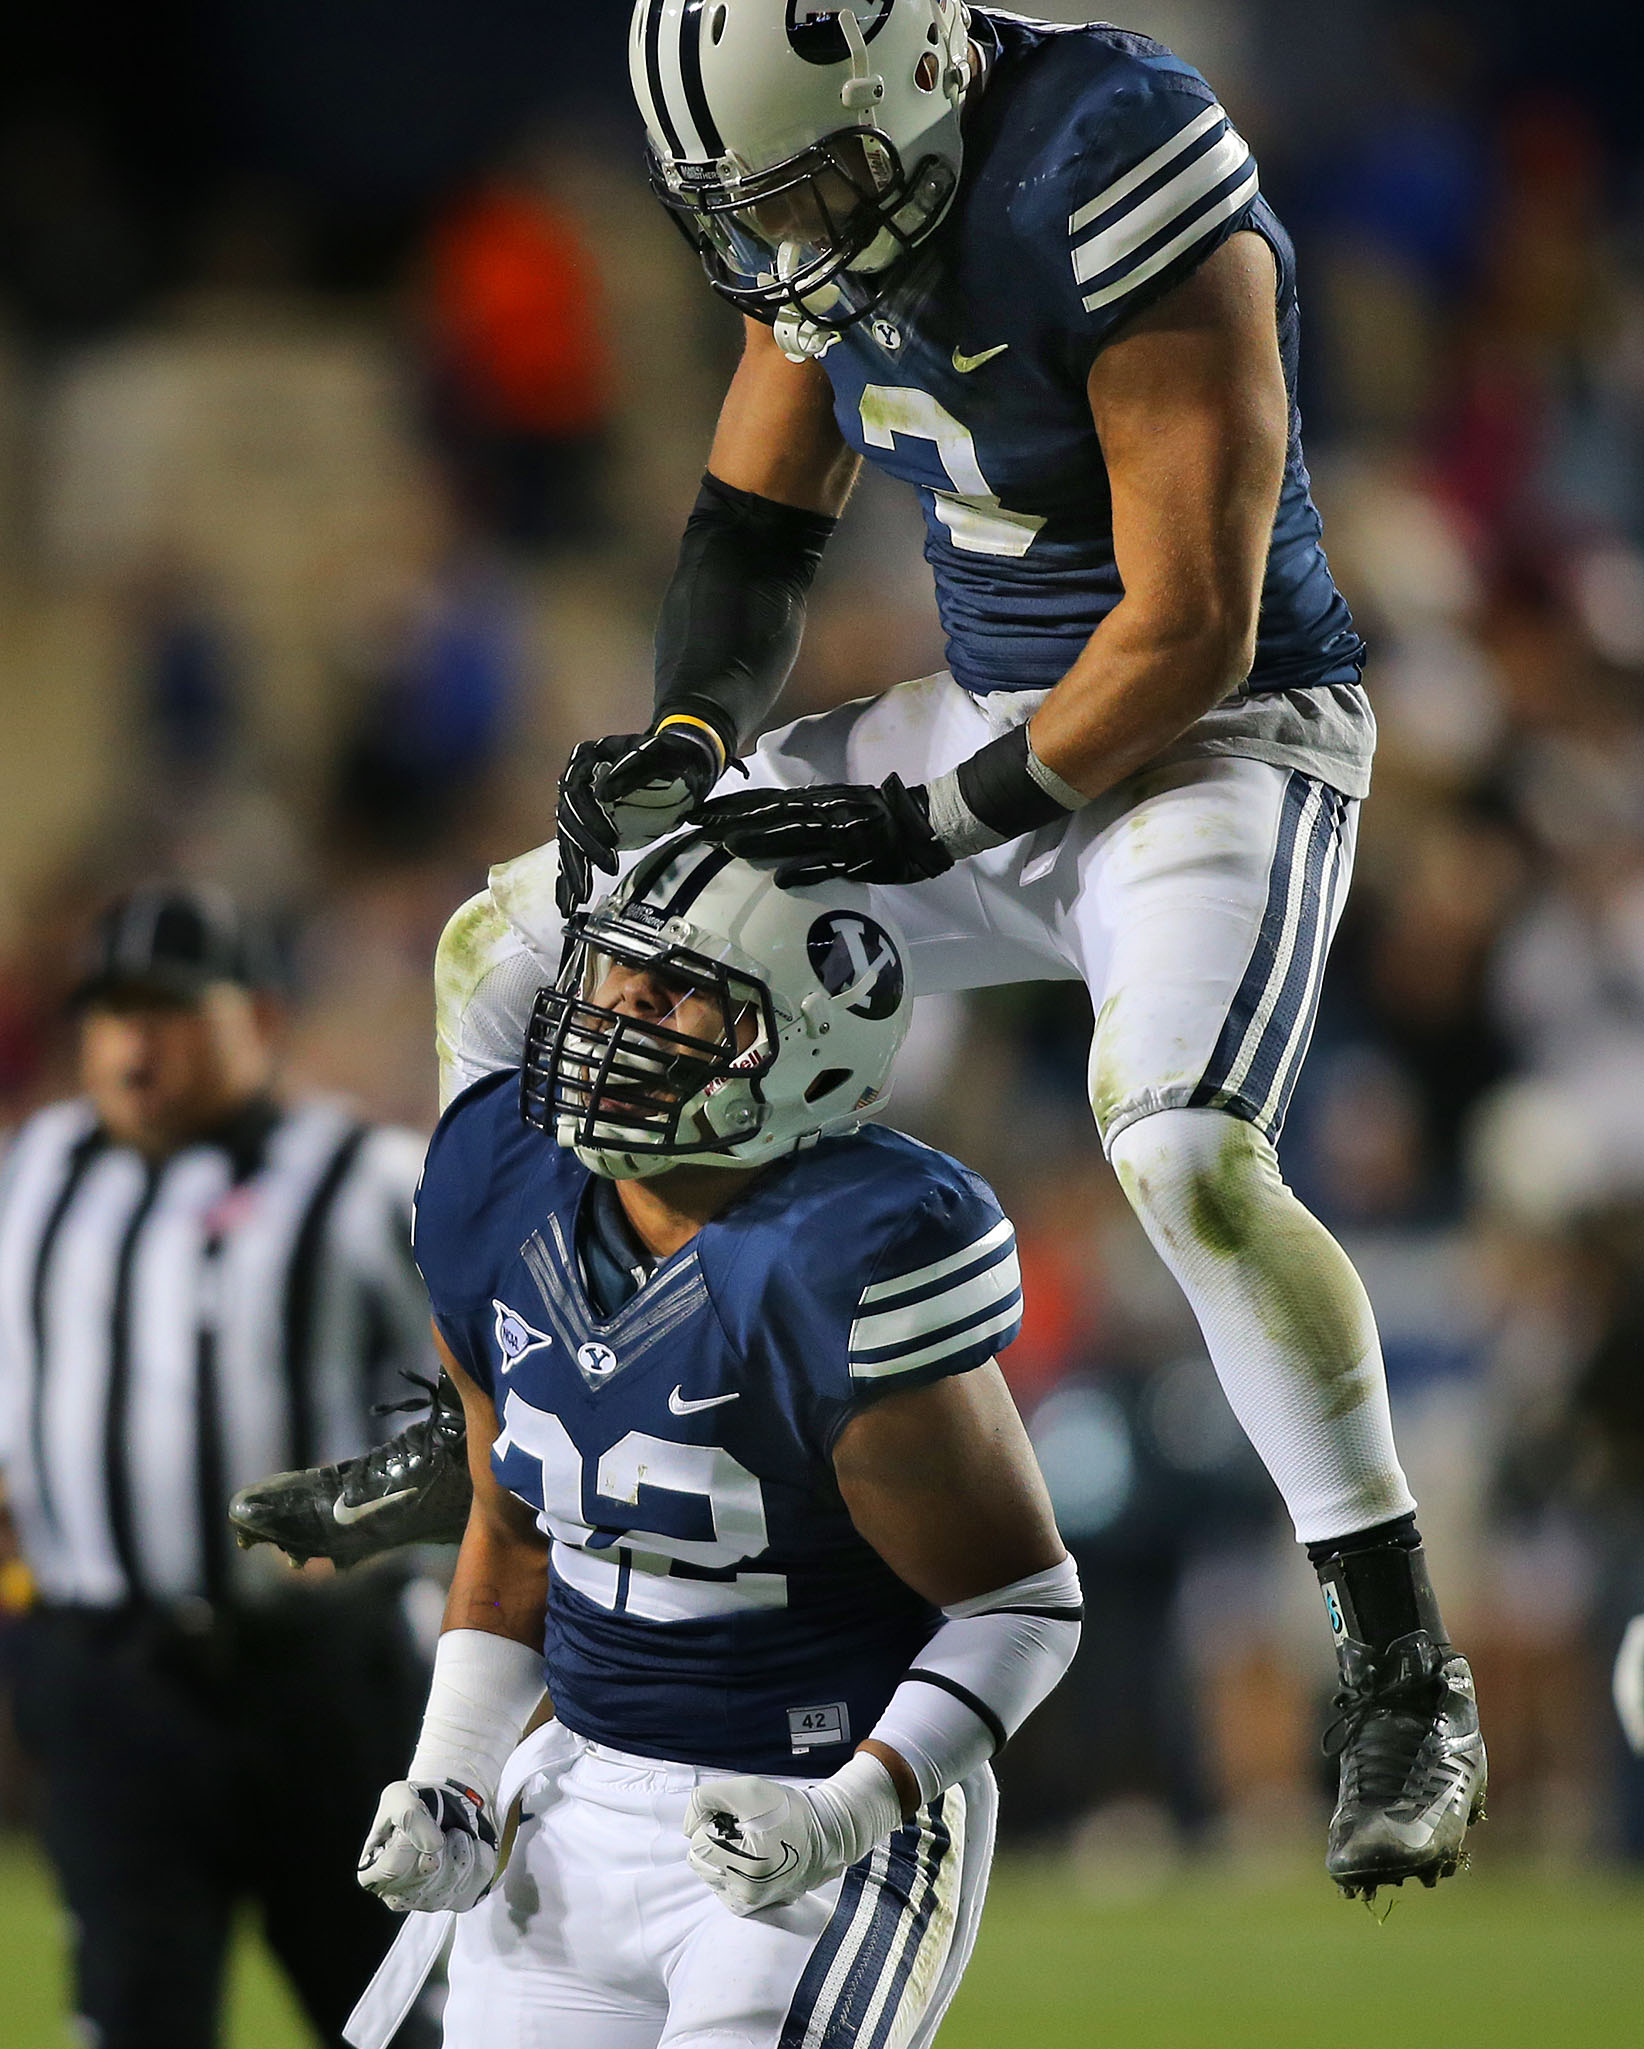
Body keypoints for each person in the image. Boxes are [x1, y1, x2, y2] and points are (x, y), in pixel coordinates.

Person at [235, 0, 1485, 1901]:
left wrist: (930, 822)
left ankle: (1399, 1657)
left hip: (1212, 743)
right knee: (511, 947)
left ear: (910, 87)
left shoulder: (1111, 153)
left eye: (809, 191)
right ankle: (495, 1415)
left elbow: (1197, 621)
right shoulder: (825, 191)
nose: (789, 243)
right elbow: (750, 534)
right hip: (992, 716)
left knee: (1181, 1153)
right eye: (754, 206)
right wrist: (681, 749)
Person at [343, 840, 1080, 2049]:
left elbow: (1021, 1601)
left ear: (804, 1049)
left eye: (685, 993)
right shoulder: (498, 1184)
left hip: (817, 1795)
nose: (617, 1009)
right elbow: (509, 1522)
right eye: (620, 968)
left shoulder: (849, 1253)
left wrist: (849, 1808)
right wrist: (458, 1772)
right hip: (582, 1793)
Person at [0, 887, 495, 2049]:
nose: (133, 1053)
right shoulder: (33, 1174)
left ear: (258, 1025)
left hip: (325, 1686)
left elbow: (498, 1410)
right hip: (107, 1680)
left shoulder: (365, 1182)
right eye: (112, 1020)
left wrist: (355, 1508)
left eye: (170, 1018)